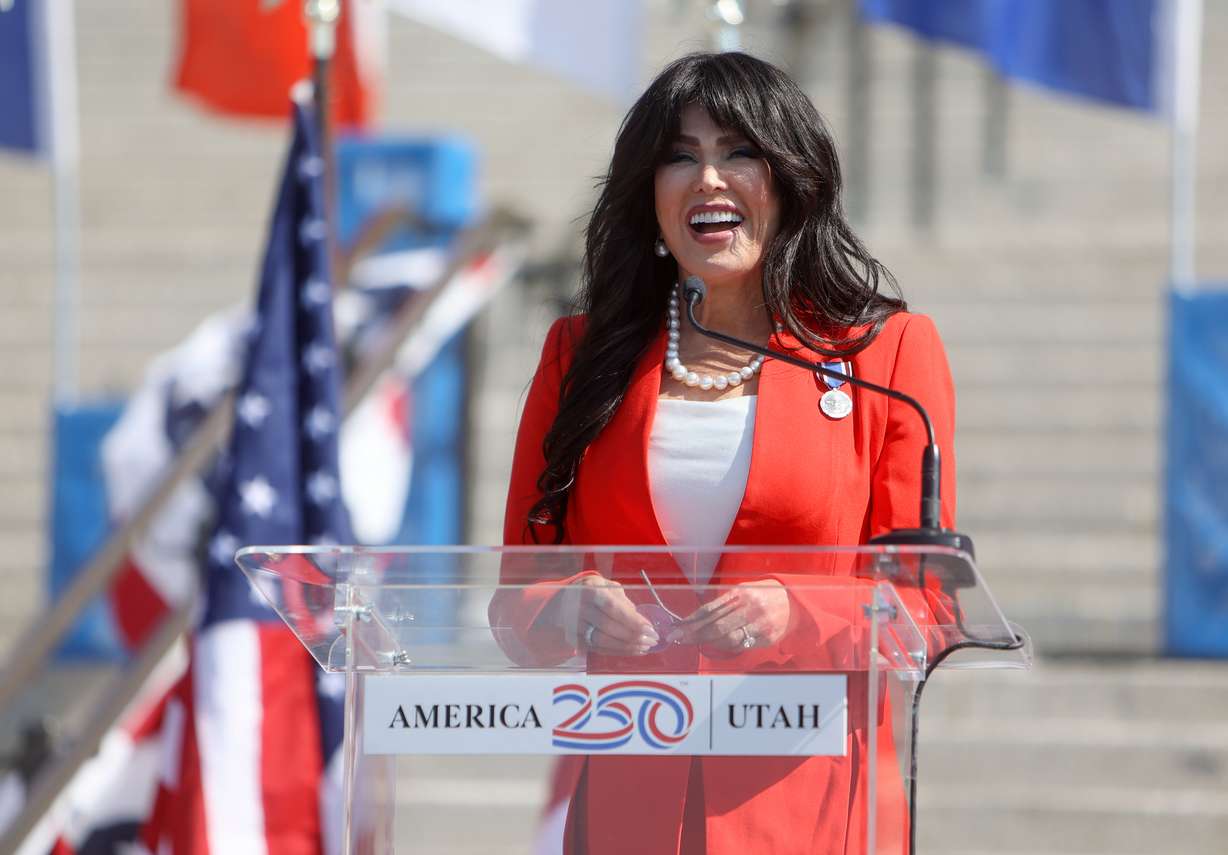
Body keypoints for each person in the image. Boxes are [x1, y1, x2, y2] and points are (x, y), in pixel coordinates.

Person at [497, 51, 956, 855]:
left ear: (791, 178)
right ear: (649, 195)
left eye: (739, 151)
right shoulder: (579, 357)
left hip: (812, 803)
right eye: (680, 156)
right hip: (629, 800)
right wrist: (568, 603)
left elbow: (927, 604)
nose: (709, 178)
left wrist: (798, 610)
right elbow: (517, 598)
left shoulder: (888, 356)